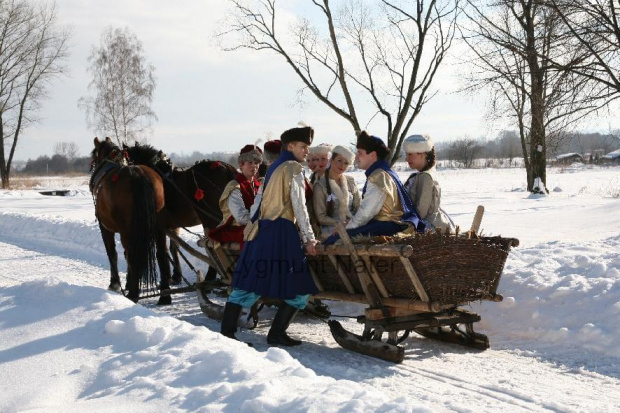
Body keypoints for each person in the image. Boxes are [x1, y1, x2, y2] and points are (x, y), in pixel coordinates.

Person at [220, 125, 318, 346]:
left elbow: (258, 204)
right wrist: (309, 238)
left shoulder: (273, 168)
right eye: (303, 147)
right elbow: (300, 207)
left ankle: (227, 334)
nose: (307, 152)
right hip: (282, 234)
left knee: (249, 284)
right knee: (299, 288)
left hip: (263, 233)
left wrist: (253, 227)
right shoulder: (293, 168)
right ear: (290, 146)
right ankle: (275, 334)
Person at [323, 131, 426, 245]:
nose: (356, 157)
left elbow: (367, 211)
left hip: (388, 227)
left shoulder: (378, 176)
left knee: (333, 240)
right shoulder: (386, 171)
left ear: (372, 155)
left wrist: (348, 226)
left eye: (360, 153)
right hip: (392, 225)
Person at [208, 145, 262, 244]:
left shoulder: (259, 184)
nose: (254, 166)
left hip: (255, 225)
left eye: (257, 163)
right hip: (236, 228)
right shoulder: (234, 187)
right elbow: (241, 217)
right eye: (250, 162)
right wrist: (260, 223)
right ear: (241, 165)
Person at [403, 134, 453, 231]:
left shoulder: (425, 177)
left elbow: (420, 212)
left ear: (423, 154)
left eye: (410, 154)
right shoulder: (425, 175)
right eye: (406, 154)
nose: (407, 159)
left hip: (430, 228)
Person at [313, 145, 361, 240]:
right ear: (331, 160)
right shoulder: (320, 186)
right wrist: (339, 223)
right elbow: (321, 217)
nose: (342, 165)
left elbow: (359, 206)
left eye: (346, 163)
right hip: (332, 228)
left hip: (353, 224)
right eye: (339, 160)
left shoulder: (350, 181)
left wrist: (354, 221)